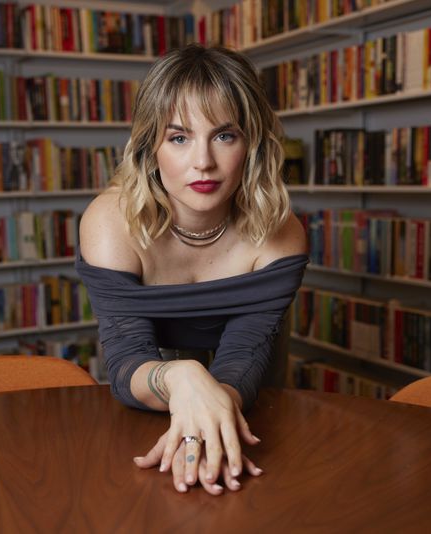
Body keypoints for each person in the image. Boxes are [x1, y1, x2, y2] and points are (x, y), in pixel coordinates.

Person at [76, 43, 308, 496]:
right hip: (150, 373)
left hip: (247, 379)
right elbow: (126, 361)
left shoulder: (283, 235)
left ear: (252, 144)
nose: (203, 161)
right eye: (179, 137)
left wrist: (203, 425)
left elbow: (242, 359)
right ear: (150, 146)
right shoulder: (109, 224)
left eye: (225, 135)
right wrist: (181, 376)